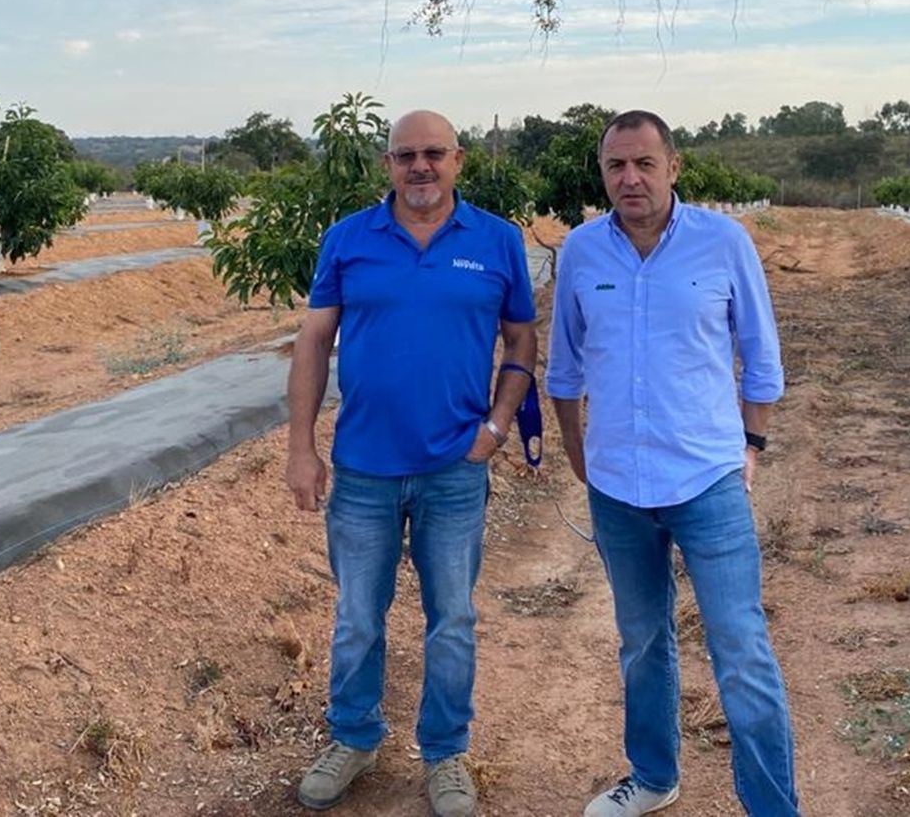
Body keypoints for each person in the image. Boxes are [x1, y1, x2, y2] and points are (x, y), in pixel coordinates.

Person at [546, 110, 799, 817]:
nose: (629, 178)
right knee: (641, 638)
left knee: (742, 650)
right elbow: (564, 369)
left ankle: (774, 807)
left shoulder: (724, 243)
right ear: (602, 175)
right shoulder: (581, 252)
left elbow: (762, 357)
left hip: (707, 480)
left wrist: (751, 446)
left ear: (674, 166)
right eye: (615, 166)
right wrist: (579, 454)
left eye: (643, 164)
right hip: (618, 488)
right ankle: (654, 774)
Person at [285, 109, 538, 816]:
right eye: (405, 156)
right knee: (359, 615)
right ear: (387, 164)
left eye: (433, 153)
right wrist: (301, 446)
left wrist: (495, 426)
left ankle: (447, 752)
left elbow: (521, 340)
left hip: (454, 469)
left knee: (451, 616)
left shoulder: (496, 241)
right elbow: (312, 344)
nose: (420, 167)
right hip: (362, 468)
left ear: (458, 159)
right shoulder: (348, 239)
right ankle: (354, 736)